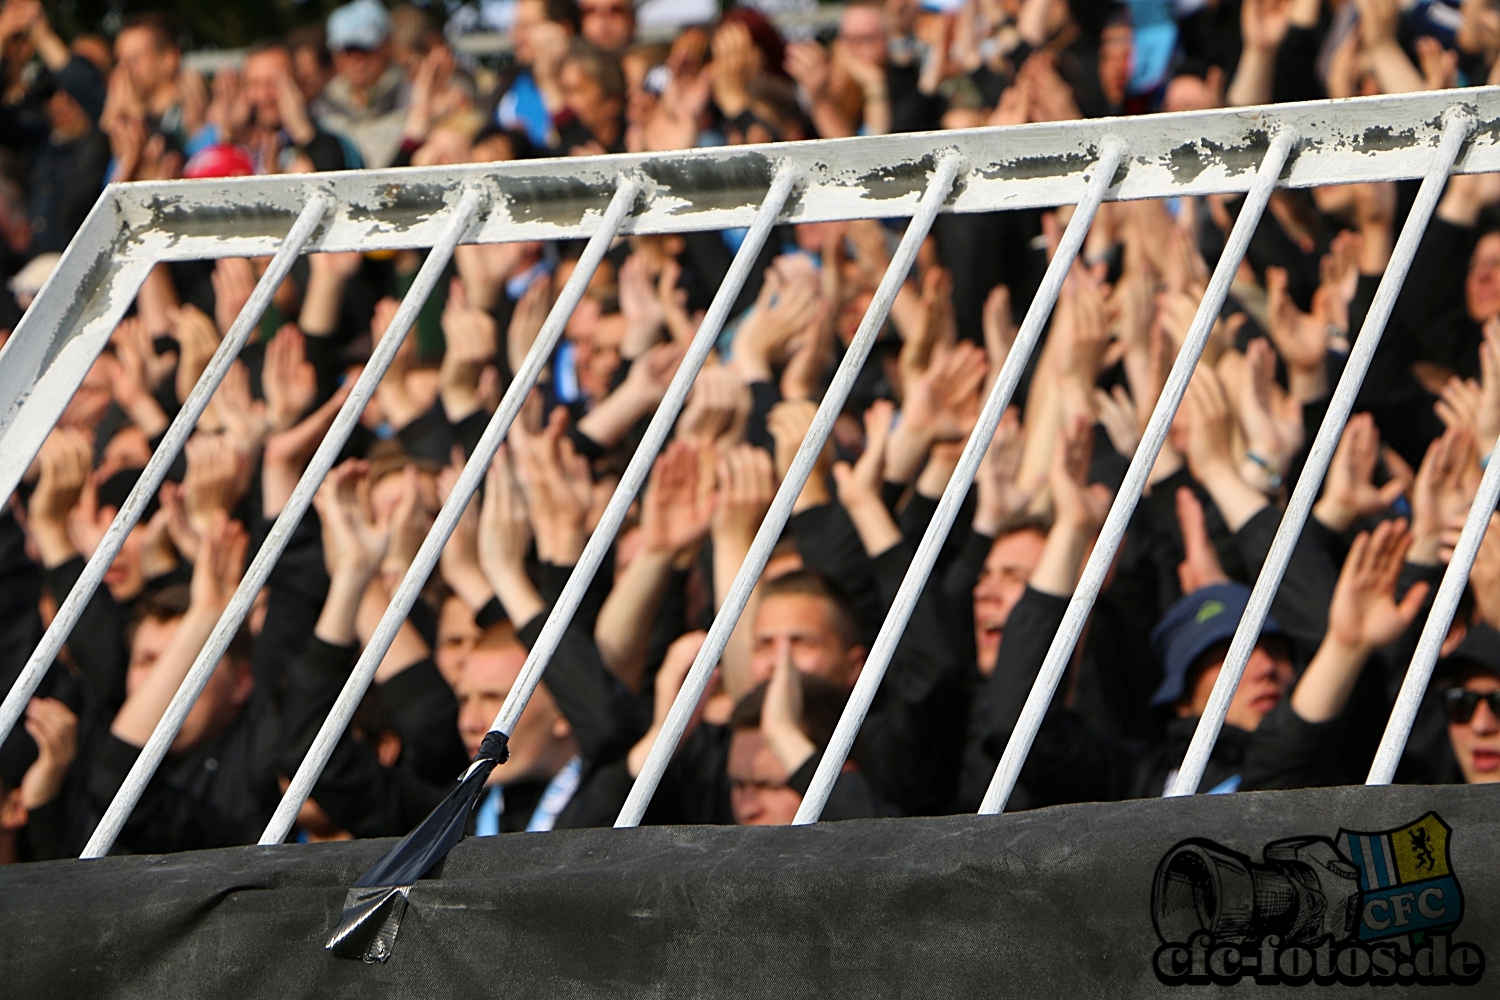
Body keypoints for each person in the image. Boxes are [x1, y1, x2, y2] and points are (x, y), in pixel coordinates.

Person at [311, 0, 409, 169]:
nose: (358, 60)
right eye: (348, 50)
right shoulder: (320, 108)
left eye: (366, 48)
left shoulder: (413, 95)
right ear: (335, 55)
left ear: (387, 44)